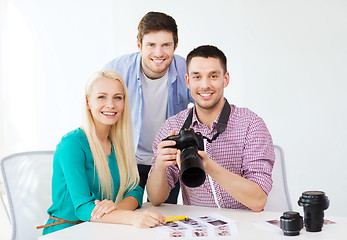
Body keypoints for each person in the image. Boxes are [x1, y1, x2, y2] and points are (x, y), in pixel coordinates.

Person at [146, 45, 275, 212]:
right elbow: (156, 199)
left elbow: (258, 200)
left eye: (213, 76)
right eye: (197, 77)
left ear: (225, 79)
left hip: (245, 226)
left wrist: (209, 166)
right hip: (198, 227)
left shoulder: (251, 124)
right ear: (188, 81)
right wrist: (160, 166)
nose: (205, 85)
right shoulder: (173, 126)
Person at [40, 70, 164, 235]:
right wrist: (130, 218)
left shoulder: (119, 143)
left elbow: (135, 189)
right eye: (101, 97)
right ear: (88, 102)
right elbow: (83, 208)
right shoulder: (72, 144)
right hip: (67, 232)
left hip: (103, 229)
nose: (111, 105)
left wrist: (116, 209)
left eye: (117, 98)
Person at [105, 11, 193, 203]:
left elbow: (206, 106)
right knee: (124, 220)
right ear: (139, 45)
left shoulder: (186, 69)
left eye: (166, 45)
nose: (159, 53)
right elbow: (98, 112)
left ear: (175, 46)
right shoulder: (116, 70)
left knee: (163, 218)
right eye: (151, 45)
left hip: (167, 160)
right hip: (125, 159)